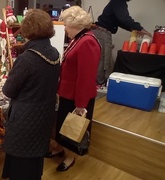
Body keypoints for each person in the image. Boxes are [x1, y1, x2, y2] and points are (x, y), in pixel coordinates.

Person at [1, 9, 61, 180]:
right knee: (34, 164)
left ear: (28, 30)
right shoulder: (54, 53)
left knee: (21, 167)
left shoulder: (28, 58)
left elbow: (8, 91)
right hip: (43, 117)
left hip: (25, 120)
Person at [47, 6, 101, 172]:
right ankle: (61, 149)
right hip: (68, 94)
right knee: (63, 125)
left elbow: (85, 78)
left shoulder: (88, 42)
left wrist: (81, 104)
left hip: (78, 98)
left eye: (65, 24)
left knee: (72, 130)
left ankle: (70, 157)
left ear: (74, 24)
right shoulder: (79, 38)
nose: (64, 27)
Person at [93, 0, 152, 88]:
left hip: (101, 31)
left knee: (105, 59)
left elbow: (120, 21)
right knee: (104, 59)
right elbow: (124, 18)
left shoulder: (117, 2)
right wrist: (140, 28)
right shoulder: (119, 1)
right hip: (102, 32)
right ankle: (99, 84)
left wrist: (133, 29)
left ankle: (100, 83)